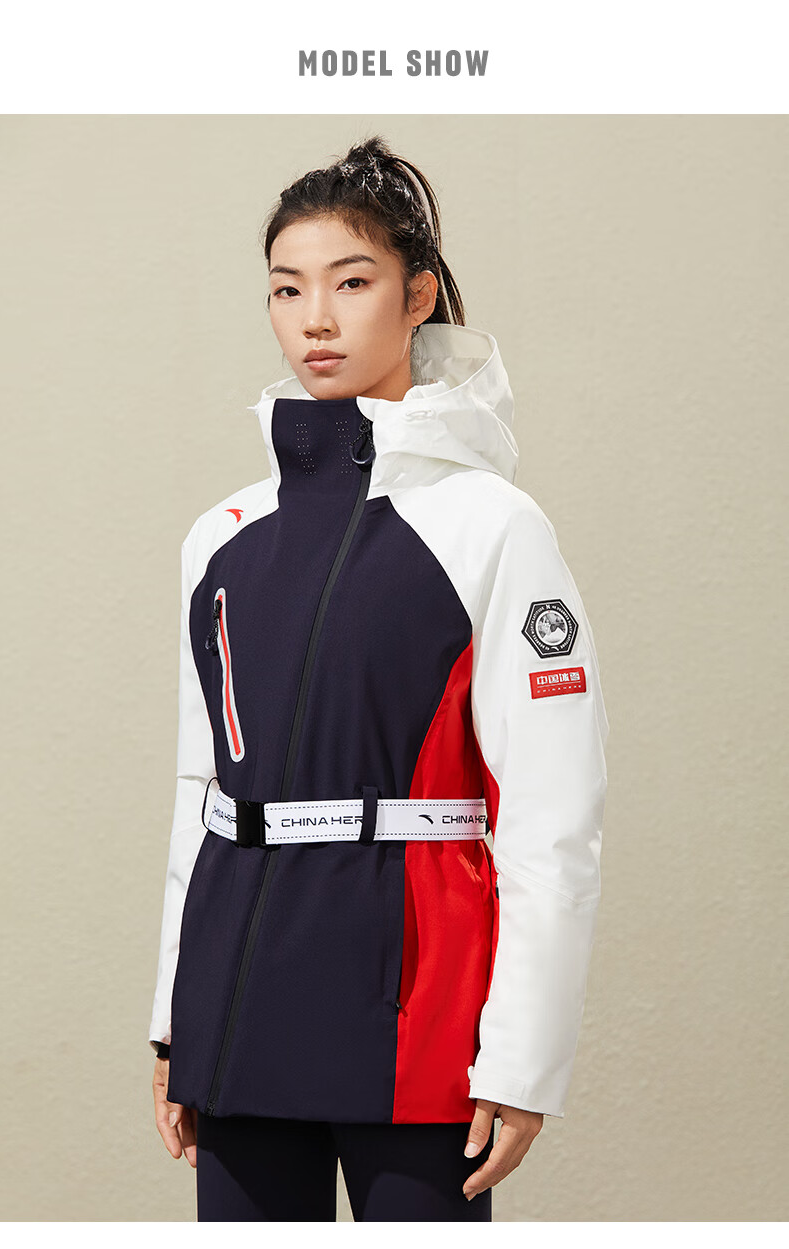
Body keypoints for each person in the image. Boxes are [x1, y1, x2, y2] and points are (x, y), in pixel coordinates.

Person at [149, 134, 609, 1222]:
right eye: (287, 288)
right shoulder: (221, 536)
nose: (316, 318)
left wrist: (525, 1056)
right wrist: (175, 1019)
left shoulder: (491, 525)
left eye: (351, 283)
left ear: (418, 298)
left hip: (421, 1004)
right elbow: (200, 794)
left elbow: (552, 814)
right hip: (240, 999)